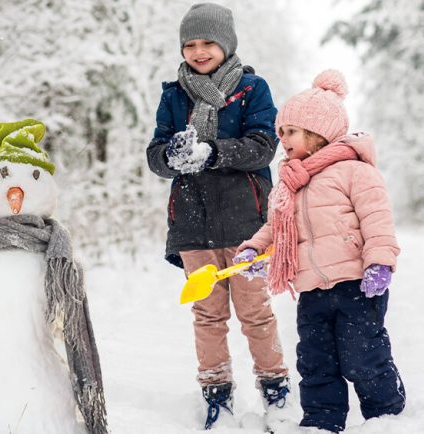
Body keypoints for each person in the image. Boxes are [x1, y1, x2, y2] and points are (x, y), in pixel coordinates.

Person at [234, 69, 406, 433]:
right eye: (280, 132)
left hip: (356, 284)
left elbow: (377, 219)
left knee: (362, 353)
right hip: (311, 288)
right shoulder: (289, 184)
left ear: (318, 133)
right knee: (315, 360)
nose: (282, 139)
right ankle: (321, 421)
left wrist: (380, 262)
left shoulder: (354, 172)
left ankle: (386, 413)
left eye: (291, 131)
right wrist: (254, 249)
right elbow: (275, 228)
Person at [145, 2, 290, 430]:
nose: (199, 51)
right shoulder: (173, 94)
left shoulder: (252, 88)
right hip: (193, 223)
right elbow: (155, 155)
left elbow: (264, 146)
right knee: (207, 314)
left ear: (226, 44)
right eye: (190, 44)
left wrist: (212, 153)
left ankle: (275, 389)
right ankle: (216, 393)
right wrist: (172, 155)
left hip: (247, 225)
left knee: (255, 312)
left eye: (208, 42)